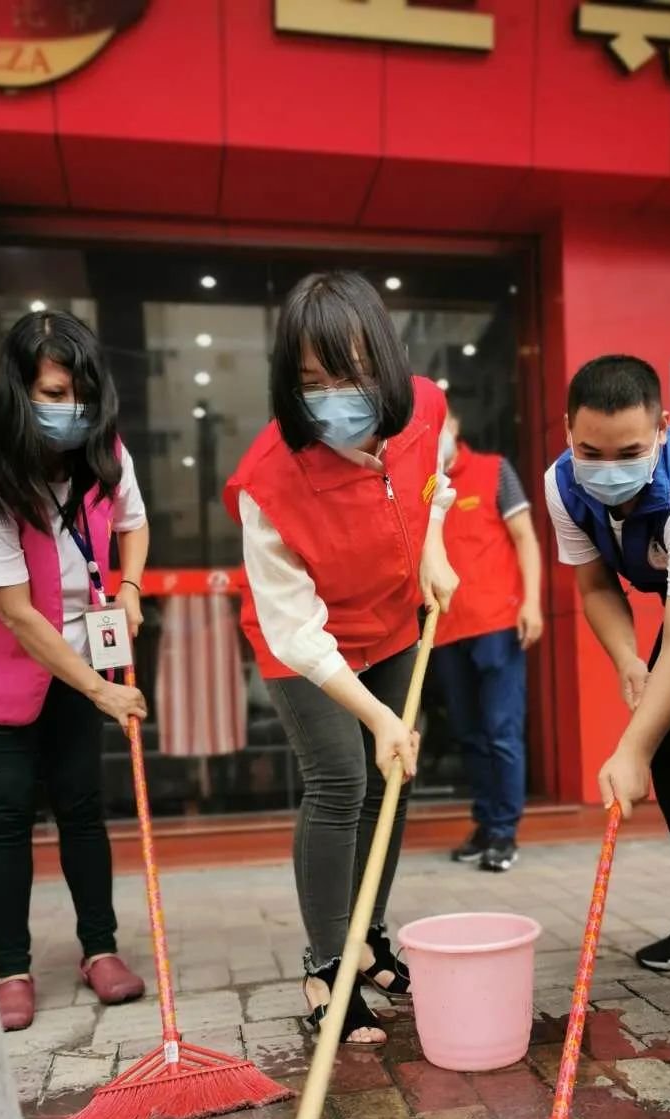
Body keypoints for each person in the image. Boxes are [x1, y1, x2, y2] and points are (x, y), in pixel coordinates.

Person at [226, 271, 458, 1046]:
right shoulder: (269, 480)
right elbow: (294, 627)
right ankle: (328, 964)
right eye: (311, 382)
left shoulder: (424, 405)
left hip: (392, 622)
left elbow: (438, 479)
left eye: (351, 373)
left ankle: (369, 936)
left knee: (386, 783)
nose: (335, 397)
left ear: (385, 365)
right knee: (342, 780)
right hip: (306, 645)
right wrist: (379, 716)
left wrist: (434, 546)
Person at [0, 311, 150, 1032]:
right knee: (6, 814)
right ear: (17, 392)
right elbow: (18, 615)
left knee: (83, 806)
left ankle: (100, 949)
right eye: (52, 393)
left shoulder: (102, 452)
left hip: (76, 661)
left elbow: (132, 521)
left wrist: (129, 589)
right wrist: (104, 690)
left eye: (80, 392)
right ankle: (12, 968)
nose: (70, 410)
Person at [544, 354, 670, 1022]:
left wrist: (627, 748)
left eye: (629, 451)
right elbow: (596, 584)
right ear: (568, 429)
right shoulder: (562, 484)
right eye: (590, 450)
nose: (608, 467)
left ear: (663, 427)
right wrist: (627, 658)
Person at [432, 404, 543, 871]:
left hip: (497, 622)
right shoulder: (425, 488)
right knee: (470, 735)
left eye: (439, 428)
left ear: (455, 427)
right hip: (446, 628)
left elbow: (525, 538)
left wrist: (532, 602)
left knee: (501, 731)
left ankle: (504, 832)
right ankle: (484, 822)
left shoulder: (495, 471)